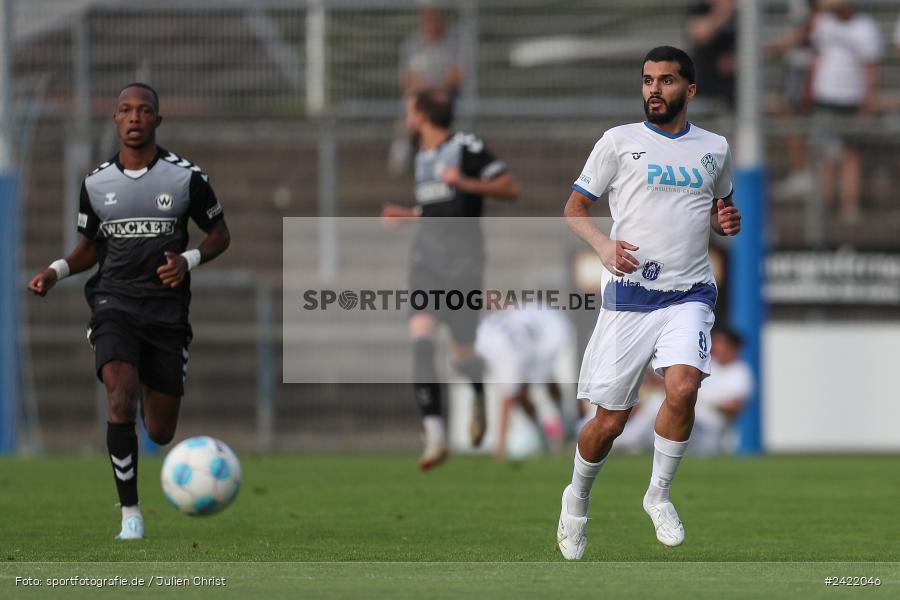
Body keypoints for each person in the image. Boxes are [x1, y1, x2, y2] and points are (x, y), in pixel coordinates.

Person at [555, 46, 741, 558]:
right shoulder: (619, 141)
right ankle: (576, 500)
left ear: (690, 89)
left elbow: (720, 207)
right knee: (609, 423)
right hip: (630, 299)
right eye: (647, 80)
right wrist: (603, 246)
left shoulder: (715, 147)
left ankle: (658, 495)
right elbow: (574, 208)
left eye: (666, 80)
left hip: (690, 292)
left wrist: (726, 220)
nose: (654, 89)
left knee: (683, 387)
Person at [27, 83, 231, 540]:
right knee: (120, 397)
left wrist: (188, 260)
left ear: (157, 120)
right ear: (116, 120)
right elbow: (89, 248)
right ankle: (131, 514)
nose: (134, 117)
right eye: (125, 110)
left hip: (166, 311)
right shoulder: (96, 183)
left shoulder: (186, 178)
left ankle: (145, 383)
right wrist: (56, 271)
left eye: (143, 110)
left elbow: (220, 234)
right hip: (113, 302)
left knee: (159, 431)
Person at [381, 89, 518, 470]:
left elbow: (509, 187)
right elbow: (438, 207)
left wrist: (466, 183)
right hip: (425, 263)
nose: (406, 118)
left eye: (409, 111)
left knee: (462, 357)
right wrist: (409, 214)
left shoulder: (466, 147)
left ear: (421, 116)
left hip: (463, 267)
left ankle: (478, 389)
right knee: (422, 341)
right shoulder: (421, 155)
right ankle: (435, 435)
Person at [617, 328, 752, 455]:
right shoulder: (707, 364)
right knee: (658, 402)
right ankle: (629, 441)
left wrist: (698, 397)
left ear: (734, 347)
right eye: (715, 343)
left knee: (659, 404)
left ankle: (626, 440)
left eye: (721, 344)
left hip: (710, 429)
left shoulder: (740, 372)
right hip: (687, 418)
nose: (716, 347)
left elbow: (734, 408)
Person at [808, 0, 882, 223]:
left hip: (852, 98)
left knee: (851, 154)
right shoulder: (824, 22)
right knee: (825, 153)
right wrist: (811, 87)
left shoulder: (866, 27)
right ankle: (826, 204)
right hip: (825, 96)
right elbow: (817, 56)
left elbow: (871, 67)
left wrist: (868, 103)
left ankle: (849, 206)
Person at [475, 304, 574, 457]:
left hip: (549, 330)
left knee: (542, 382)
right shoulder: (484, 338)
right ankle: (547, 435)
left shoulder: (501, 354)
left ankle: (566, 428)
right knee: (521, 392)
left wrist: (500, 447)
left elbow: (507, 400)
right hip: (534, 326)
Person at [389, 8, 464, 174]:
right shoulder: (411, 44)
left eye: (435, 19)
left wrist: (436, 90)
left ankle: (449, 159)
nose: (431, 24)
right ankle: (401, 162)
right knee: (408, 114)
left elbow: (457, 75)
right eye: (427, 19)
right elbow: (406, 78)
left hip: (444, 97)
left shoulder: (454, 44)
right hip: (420, 97)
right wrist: (425, 91)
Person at [686, 0, 736, 108]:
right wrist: (724, 12)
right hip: (709, 82)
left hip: (737, 82)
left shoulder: (742, 13)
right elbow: (700, 35)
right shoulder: (702, 8)